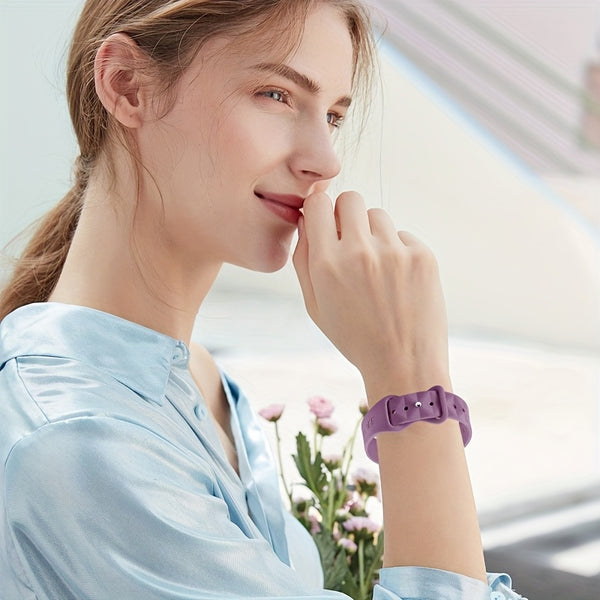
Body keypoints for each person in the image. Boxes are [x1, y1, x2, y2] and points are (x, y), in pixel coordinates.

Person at [0, 1, 524, 598]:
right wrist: (411, 382)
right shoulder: (83, 439)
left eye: (333, 116)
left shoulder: (196, 378)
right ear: (127, 85)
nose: (324, 160)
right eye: (277, 95)